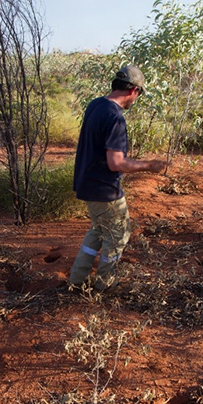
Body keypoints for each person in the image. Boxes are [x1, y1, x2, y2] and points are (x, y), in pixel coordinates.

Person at [69, 65, 166, 291]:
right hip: (105, 189)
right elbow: (116, 162)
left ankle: (76, 280)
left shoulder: (96, 104)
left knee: (98, 230)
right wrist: (149, 166)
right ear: (133, 91)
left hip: (87, 184)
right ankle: (106, 285)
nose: (137, 99)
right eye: (139, 94)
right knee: (118, 235)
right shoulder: (115, 117)